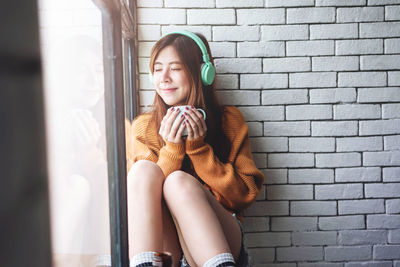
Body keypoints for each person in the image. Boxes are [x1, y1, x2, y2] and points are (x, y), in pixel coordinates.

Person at [126, 30, 264, 267]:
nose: (164, 78)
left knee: (178, 182)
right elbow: (144, 201)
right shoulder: (143, 127)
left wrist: (199, 150)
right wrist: (172, 150)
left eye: (175, 68)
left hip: (218, 239)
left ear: (203, 73)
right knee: (142, 172)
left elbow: (243, 196)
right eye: (158, 69)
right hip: (166, 251)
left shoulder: (229, 120)